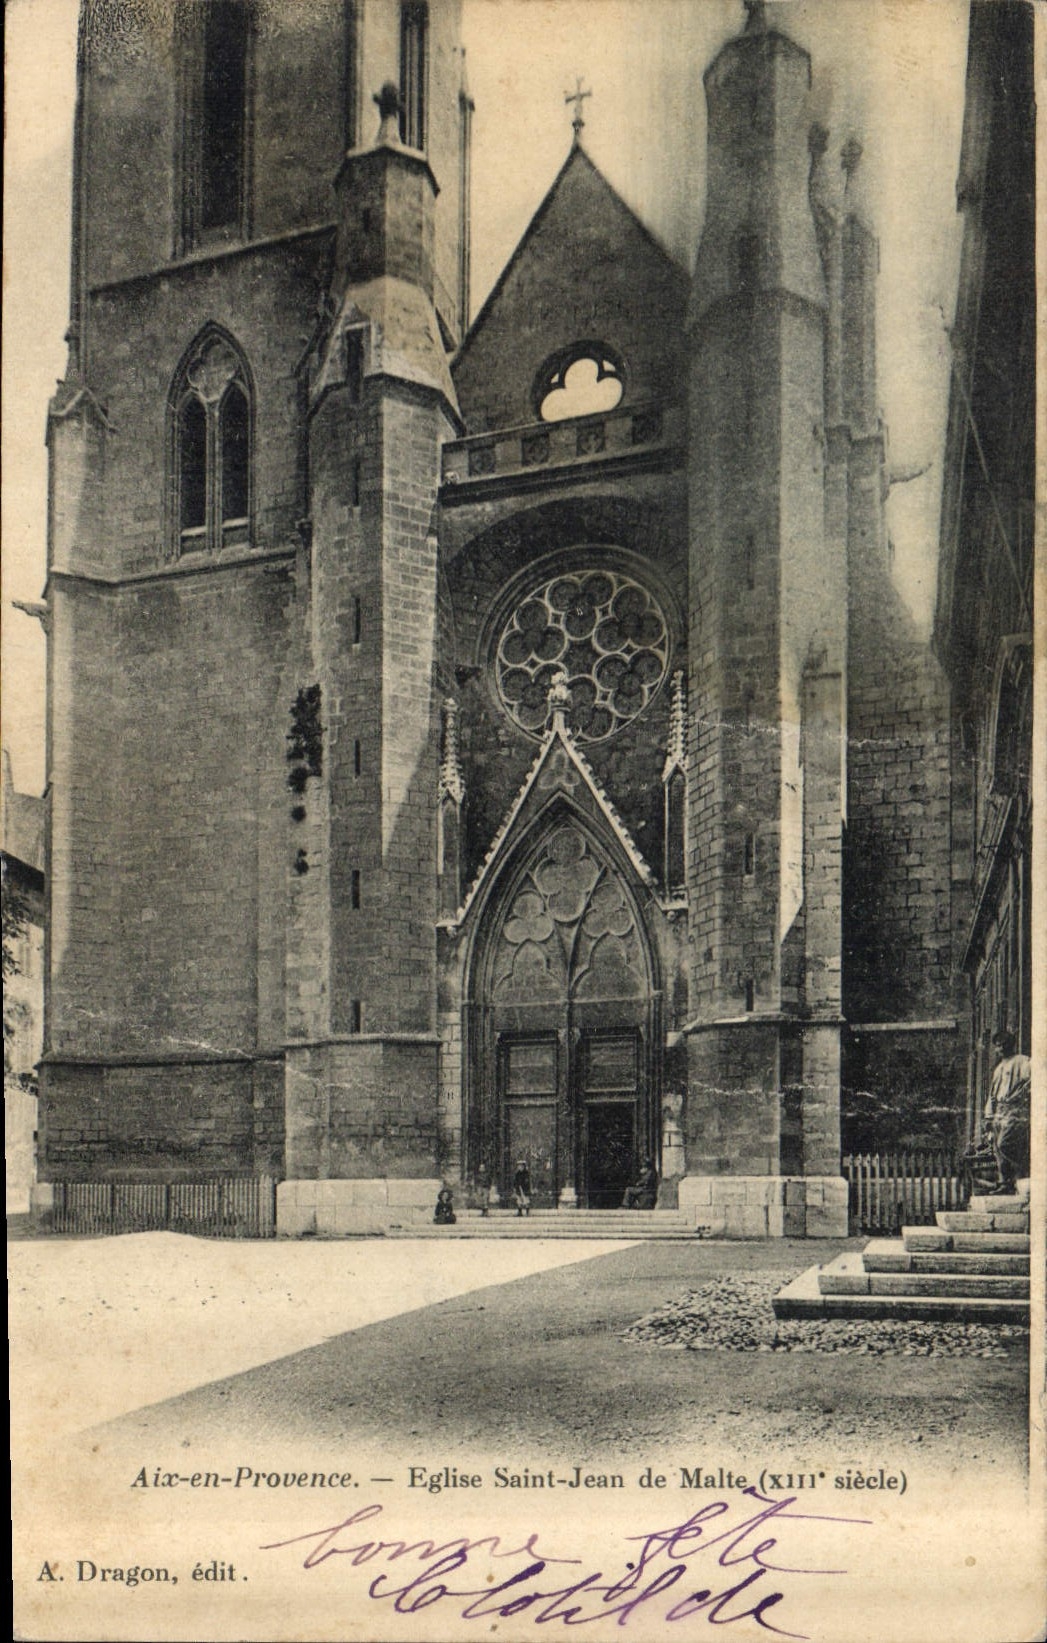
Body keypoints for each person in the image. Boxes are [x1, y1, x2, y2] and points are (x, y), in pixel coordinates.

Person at [984, 1031, 1031, 1195]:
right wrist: (988, 1116)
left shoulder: (1023, 1061)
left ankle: (1023, 1174)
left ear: (1011, 1045)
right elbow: (992, 1095)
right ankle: (1005, 1183)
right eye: (998, 1045)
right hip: (999, 1110)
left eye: (1004, 1044)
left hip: (1015, 1109)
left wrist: (1021, 1095)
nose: (1001, 1048)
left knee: (1005, 1143)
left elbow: (1034, 1080)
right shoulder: (998, 1068)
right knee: (998, 1148)